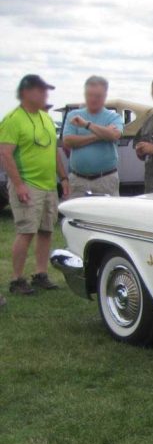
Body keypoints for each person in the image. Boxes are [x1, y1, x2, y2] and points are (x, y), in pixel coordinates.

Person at [0, 74, 71, 300]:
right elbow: (5, 154)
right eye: (41, 91)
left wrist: (63, 178)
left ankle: (40, 274)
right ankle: (16, 279)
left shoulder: (45, 118)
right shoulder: (13, 119)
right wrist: (19, 185)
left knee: (46, 230)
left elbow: (53, 152)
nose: (45, 96)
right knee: (26, 231)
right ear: (26, 93)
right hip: (27, 185)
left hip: (49, 185)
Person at [61, 76, 123, 199]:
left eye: (98, 96)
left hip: (105, 179)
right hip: (78, 181)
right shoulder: (73, 116)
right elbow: (68, 141)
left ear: (105, 96)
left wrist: (86, 125)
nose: (93, 99)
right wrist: (100, 135)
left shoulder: (113, 117)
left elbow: (114, 135)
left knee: (105, 217)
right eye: (90, 95)